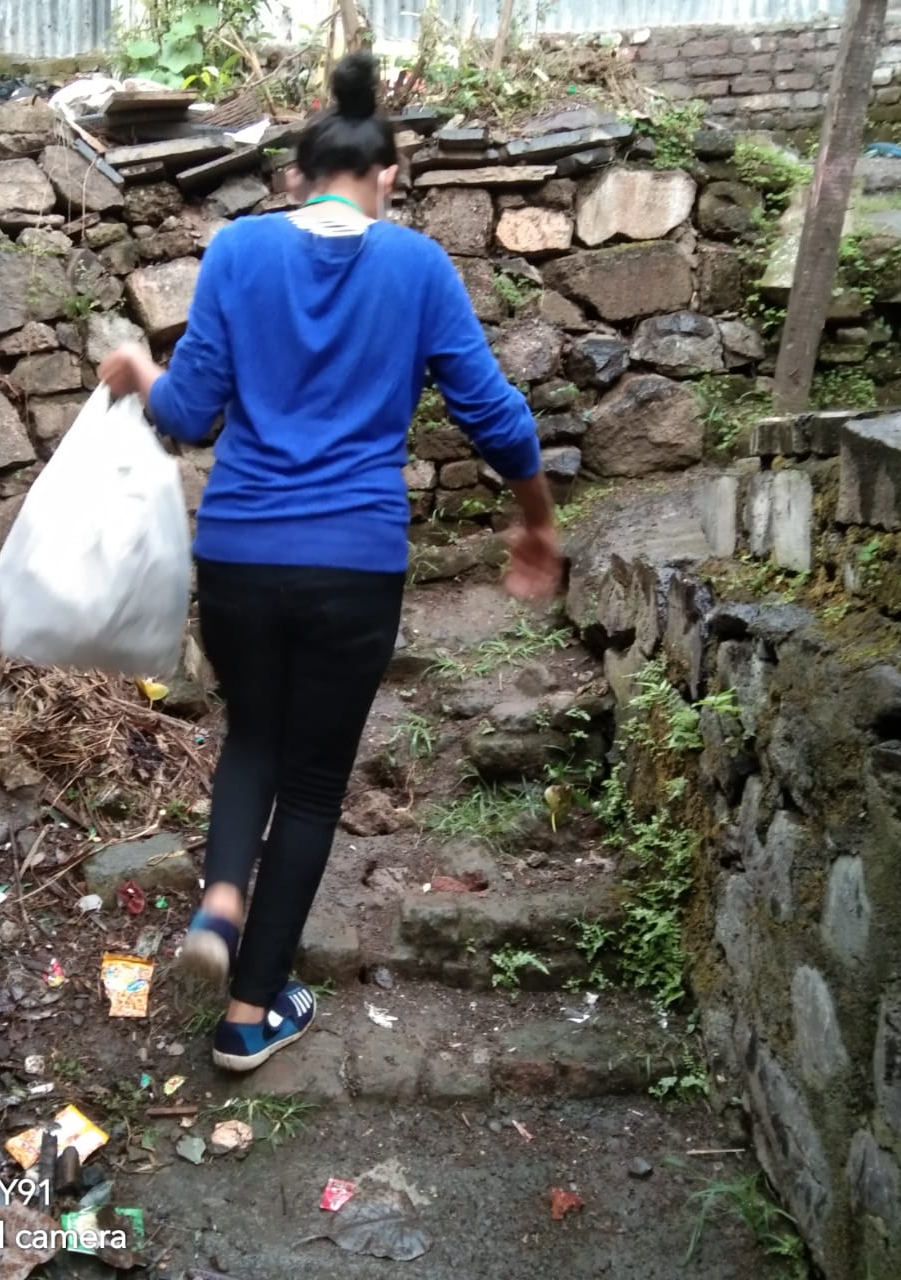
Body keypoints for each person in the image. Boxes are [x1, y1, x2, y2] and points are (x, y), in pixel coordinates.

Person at [98, 53, 562, 1074]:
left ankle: (220, 901)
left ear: (296, 177)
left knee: (251, 740)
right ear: (386, 176)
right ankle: (247, 1016)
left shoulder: (237, 249)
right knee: (311, 787)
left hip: (239, 551)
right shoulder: (418, 268)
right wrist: (536, 523)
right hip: (353, 563)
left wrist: (138, 370)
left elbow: (189, 413)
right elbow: (495, 416)